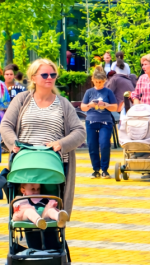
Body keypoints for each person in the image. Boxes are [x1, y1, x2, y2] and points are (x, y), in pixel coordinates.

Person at [1, 59, 86, 233]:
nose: (50, 78)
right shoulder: (22, 100)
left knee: (52, 205)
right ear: (33, 78)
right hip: (26, 165)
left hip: (53, 166)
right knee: (25, 207)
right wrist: (13, 144)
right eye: (45, 74)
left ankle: (53, 250)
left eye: (53, 75)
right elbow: (6, 125)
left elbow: (79, 131)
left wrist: (61, 143)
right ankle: (32, 249)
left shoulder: (63, 104)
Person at [80, 66, 119, 178]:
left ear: (104, 81)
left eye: (100, 82)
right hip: (91, 120)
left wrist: (106, 105)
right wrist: (89, 105)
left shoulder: (108, 92)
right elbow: (83, 107)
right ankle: (96, 169)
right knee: (92, 145)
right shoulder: (89, 92)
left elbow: (115, 107)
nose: (98, 84)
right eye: (96, 82)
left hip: (105, 121)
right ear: (92, 80)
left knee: (104, 144)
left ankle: (104, 169)